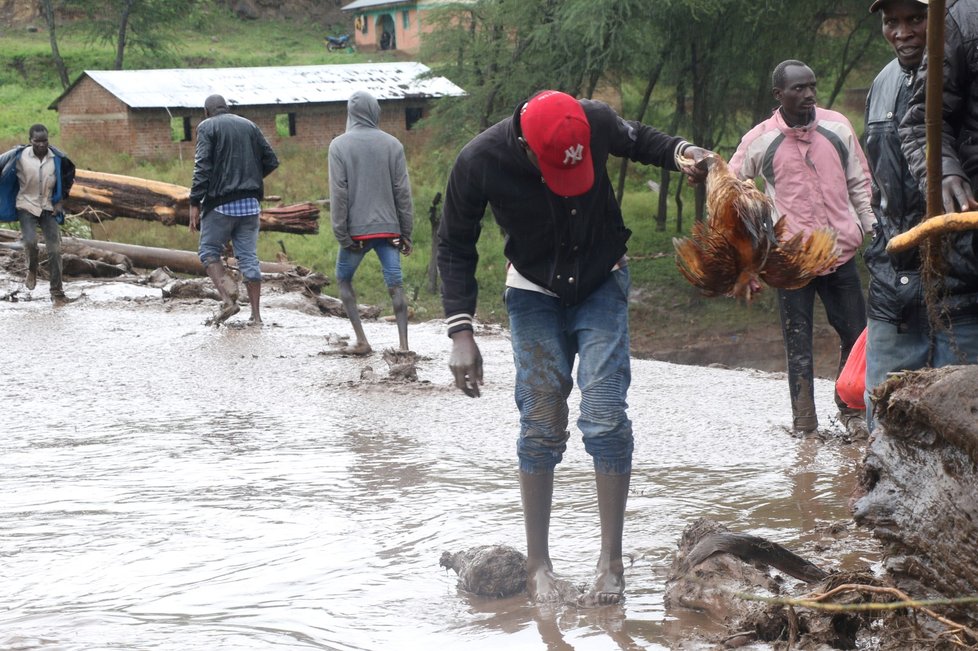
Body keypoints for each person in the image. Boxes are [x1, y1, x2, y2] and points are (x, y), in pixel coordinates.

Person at [437, 89, 711, 605]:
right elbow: (454, 243)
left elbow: (644, 141)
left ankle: (611, 563)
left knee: (606, 414)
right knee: (541, 419)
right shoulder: (480, 161)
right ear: (526, 148)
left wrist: (683, 153)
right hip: (533, 292)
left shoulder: (595, 120)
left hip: (602, 283)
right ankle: (539, 565)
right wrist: (461, 332)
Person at [729, 60, 875, 436]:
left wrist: (874, 233)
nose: (808, 94)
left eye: (812, 86)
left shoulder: (837, 128)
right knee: (798, 344)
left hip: (840, 255)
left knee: (856, 336)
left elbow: (861, 186)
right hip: (791, 264)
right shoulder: (760, 140)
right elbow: (731, 192)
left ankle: (852, 412)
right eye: (798, 88)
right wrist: (752, 252)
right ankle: (805, 424)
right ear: (779, 95)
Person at [862, 0, 978, 431]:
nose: (903, 32)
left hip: (962, 291)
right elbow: (881, 187)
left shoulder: (963, 77)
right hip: (895, 292)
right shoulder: (883, 84)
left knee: (959, 437)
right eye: (891, 21)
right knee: (886, 431)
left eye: (916, 18)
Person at [891, 0, 978, 393]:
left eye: (913, 20)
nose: (903, 32)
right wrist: (943, 171)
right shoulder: (964, 17)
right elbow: (923, 122)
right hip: (964, 249)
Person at [328, 90, 414, 354]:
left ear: (351, 113)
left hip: (355, 234)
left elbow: (339, 193)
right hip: (389, 230)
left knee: (343, 279)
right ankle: (403, 345)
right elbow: (402, 191)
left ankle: (363, 341)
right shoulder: (393, 145)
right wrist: (406, 232)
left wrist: (341, 233)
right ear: (375, 111)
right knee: (395, 284)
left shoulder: (339, 146)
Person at [189, 94, 279, 326]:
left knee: (209, 251)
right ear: (227, 108)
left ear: (207, 112)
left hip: (220, 204)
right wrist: (250, 181)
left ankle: (228, 299)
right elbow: (271, 160)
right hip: (250, 205)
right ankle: (257, 317)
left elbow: (202, 166)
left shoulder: (207, 127)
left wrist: (194, 202)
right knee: (248, 257)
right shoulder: (249, 125)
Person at [0, 124, 76, 306]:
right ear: (30, 141)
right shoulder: (18, 156)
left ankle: (57, 293)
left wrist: (60, 202)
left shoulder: (57, 158)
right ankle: (31, 269)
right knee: (31, 242)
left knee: (55, 249)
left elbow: (68, 178)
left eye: (45, 141)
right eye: (37, 141)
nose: (42, 145)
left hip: (48, 207)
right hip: (26, 205)